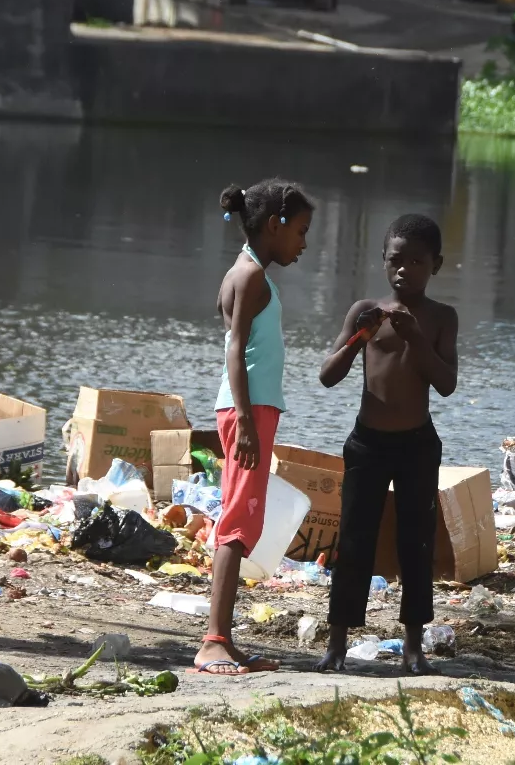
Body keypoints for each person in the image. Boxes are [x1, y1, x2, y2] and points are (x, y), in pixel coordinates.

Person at [314, 214, 459, 675]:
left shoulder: (440, 318)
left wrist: (416, 336)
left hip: (417, 444)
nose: (404, 270)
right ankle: (337, 644)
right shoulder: (365, 311)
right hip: (367, 443)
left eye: (416, 261)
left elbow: (447, 384)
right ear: (383, 261)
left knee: (415, 542)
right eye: (396, 260)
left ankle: (414, 648)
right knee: (354, 539)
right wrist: (360, 337)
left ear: (436, 264)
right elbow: (327, 376)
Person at [193, 178, 315, 676]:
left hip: (250, 408)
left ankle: (224, 638)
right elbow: (234, 348)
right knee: (239, 521)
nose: (304, 243)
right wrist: (244, 420)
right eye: (301, 231)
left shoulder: (245, 272)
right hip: (248, 411)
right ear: (274, 225)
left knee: (241, 516)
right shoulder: (250, 277)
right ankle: (213, 641)